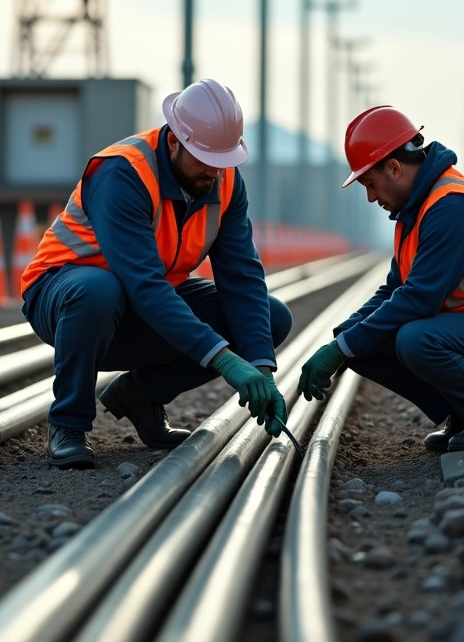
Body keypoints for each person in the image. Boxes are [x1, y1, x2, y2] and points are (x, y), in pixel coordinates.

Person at [19, 79, 292, 469]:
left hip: (142, 302)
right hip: (67, 297)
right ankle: (68, 423)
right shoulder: (123, 173)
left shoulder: (226, 180)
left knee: (272, 316)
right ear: (174, 141)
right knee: (98, 289)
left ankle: (141, 396)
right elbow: (143, 284)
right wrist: (225, 360)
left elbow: (242, 276)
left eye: (222, 161)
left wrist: (261, 365)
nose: (214, 172)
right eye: (204, 159)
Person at [297, 105, 464, 451]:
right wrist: (341, 342)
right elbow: (394, 288)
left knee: (414, 338)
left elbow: (419, 299)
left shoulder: (451, 209)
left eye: (370, 183)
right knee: (358, 343)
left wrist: (339, 349)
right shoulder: (416, 210)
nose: (370, 196)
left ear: (394, 168)